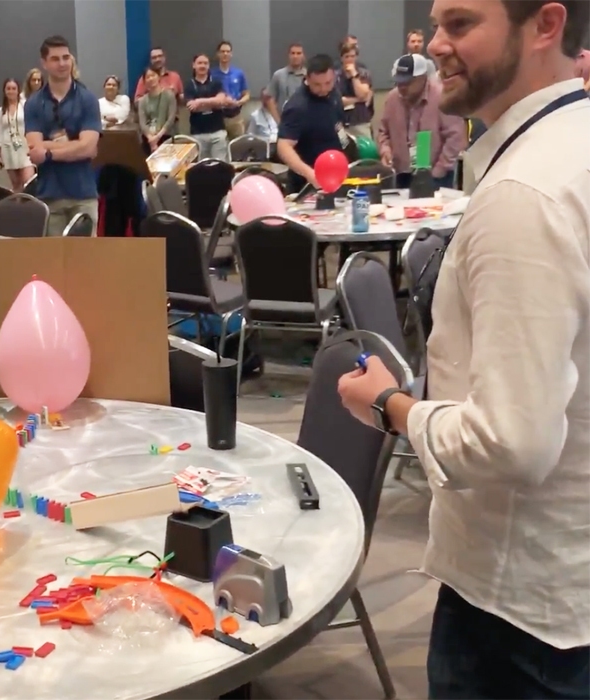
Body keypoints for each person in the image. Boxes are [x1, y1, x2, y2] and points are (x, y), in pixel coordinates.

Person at [336, 2, 590, 699]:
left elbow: (513, 443)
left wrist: (392, 406)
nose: (436, 45)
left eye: (460, 24)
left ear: (544, 26)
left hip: (520, 611)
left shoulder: (525, 193)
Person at [25, 35, 101, 237]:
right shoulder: (33, 104)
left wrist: (48, 152)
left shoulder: (88, 99)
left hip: (83, 195)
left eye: (66, 57)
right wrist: (76, 146)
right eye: (55, 59)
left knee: (87, 262)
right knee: (53, 264)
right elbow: (34, 149)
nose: (62, 63)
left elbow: (89, 148)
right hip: (50, 196)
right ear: (44, 63)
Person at [377, 54, 466, 189]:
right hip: (402, 174)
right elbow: (383, 131)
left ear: (422, 78)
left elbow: (455, 136)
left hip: (436, 176)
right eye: (399, 82)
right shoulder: (392, 98)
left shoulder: (442, 97)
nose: (402, 87)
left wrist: (439, 170)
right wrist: (385, 150)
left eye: (407, 82)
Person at [276, 53, 354, 193]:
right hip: (307, 184)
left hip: (337, 177)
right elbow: (284, 146)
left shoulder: (334, 94)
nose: (323, 89)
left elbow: (337, 126)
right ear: (307, 78)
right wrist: (309, 173)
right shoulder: (298, 106)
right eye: (317, 84)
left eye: (328, 83)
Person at [183, 53, 231, 162]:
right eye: (200, 63)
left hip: (218, 132)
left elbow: (221, 101)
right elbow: (192, 107)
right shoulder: (189, 84)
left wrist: (199, 101)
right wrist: (213, 102)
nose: (203, 66)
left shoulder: (216, 82)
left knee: (220, 166)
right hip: (198, 134)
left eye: (205, 63)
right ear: (193, 65)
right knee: (202, 167)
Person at [0, 79, 34, 192]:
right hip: (8, 148)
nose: (11, 91)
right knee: (16, 184)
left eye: (13, 88)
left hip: (25, 146)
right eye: (8, 89)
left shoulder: (25, 105)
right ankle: (18, 207)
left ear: (18, 90)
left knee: (28, 181)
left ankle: (32, 207)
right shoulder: (1, 110)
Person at [211, 40, 250, 139]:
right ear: (218, 54)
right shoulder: (211, 74)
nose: (225, 54)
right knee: (220, 147)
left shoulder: (238, 73)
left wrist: (239, 102)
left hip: (235, 116)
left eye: (228, 51)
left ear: (231, 54)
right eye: (222, 51)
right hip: (218, 116)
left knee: (238, 146)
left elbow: (246, 94)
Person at [337, 41, 374, 139]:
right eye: (346, 56)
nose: (350, 59)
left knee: (366, 152)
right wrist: (358, 100)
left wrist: (354, 75)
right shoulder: (336, 76)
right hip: (342, 122)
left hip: (360, 121)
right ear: (341, 58)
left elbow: (362, 94)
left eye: (352, 56)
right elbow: (339, 101)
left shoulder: (363, 73)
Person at [137, 66, 177, 154]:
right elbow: (142, 123)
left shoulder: (169, 95)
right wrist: (151, 139)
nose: (151, 79)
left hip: (165, 136)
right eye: (148, 77)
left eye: (153, 75)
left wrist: (158, 137)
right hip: (148, 139)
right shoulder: (142, 101)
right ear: (144, 81)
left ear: (158, 77)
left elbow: (171, 119)